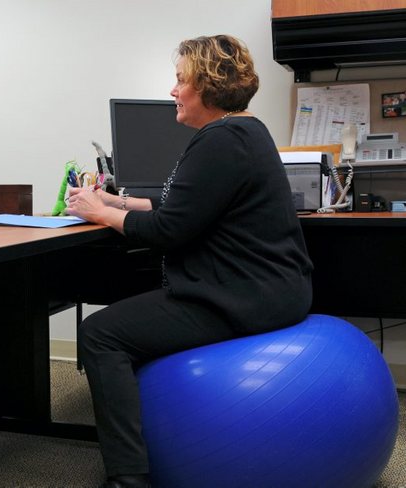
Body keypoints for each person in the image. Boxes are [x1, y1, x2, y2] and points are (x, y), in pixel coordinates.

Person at [65, 35, 313, 488]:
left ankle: (128, 478)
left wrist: (99, 213)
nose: (173, 91)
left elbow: (169, 231)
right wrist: (113, 200)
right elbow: (181, 206)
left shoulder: (221, 139)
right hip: (269, 290)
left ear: (208, 84)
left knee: (100, 333)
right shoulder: (245, 131)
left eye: (181, 80)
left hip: (240, 298)